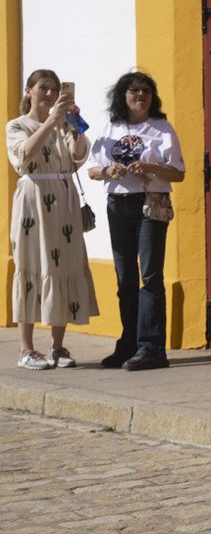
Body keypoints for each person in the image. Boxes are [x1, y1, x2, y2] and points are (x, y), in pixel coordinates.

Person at [87, 71, 185, 371]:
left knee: (151, 277)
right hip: (118, 204)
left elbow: (178, 173)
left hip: (150, 203)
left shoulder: (162, 128)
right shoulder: (111, 127)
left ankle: (152, 349)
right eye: (133, 91)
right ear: (122, 96)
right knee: (124, 278)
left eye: (145, 91)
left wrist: (152, 167)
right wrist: (109, 171)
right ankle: (128, 344)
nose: (140, 95)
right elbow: (93, 169)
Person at [7, 70, 98, 368]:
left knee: (65, 266)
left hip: (63, 200)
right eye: (43, 88)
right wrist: (50, 121)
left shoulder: (63, 123)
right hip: (33, 199)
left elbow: (79, 156)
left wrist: (74, 127)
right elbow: (25, 155)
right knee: (31, 265)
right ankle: (26, 350)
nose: (49, 94)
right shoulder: (16, 125)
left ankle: (57, 347)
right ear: (28, 91)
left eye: (55, 89)